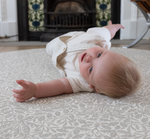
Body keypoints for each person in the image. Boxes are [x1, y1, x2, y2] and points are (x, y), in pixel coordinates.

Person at [13, 21, 141, 102]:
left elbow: (60, 85)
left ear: (93, 86)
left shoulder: (81, 81)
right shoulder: (99, 40)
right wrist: (113, 27)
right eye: (99, 54)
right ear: (107, 50)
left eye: (91, 69)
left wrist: (35, 90)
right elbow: (107, 32)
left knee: (48, 47)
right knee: (104, 31)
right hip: (75, 36)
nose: (89, 58)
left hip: (55, 49)